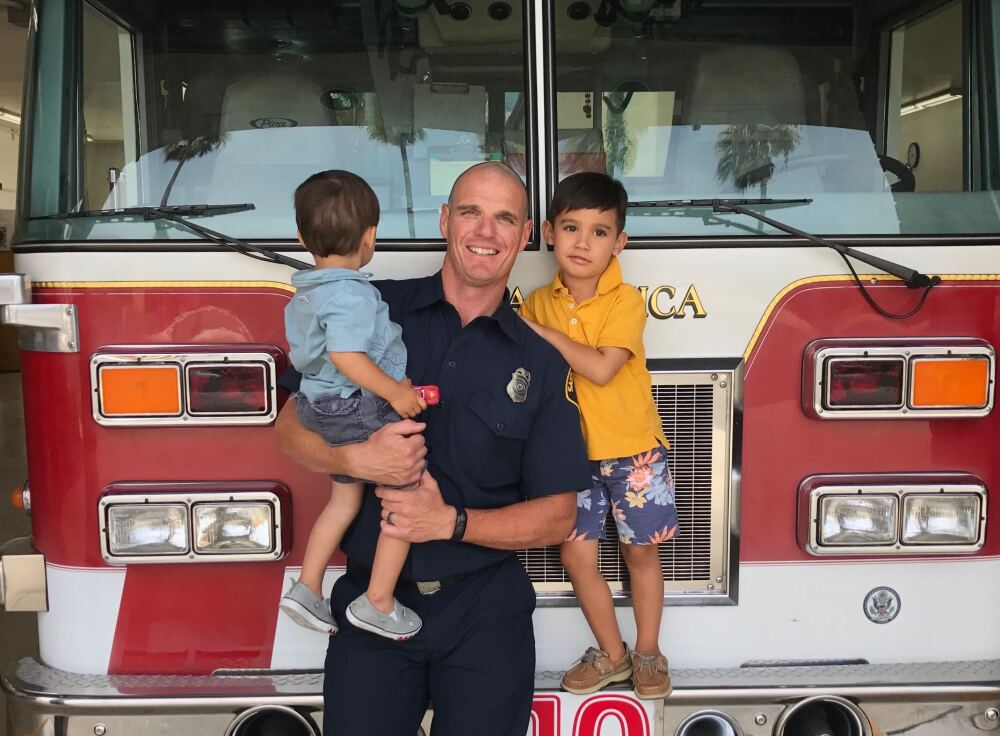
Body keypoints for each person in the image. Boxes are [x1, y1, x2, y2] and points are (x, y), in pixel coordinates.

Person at [275, 161, 592, 735]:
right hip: (370, 605)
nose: (485, 232)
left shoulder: (542, 363)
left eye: (505, 219)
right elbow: (289, 426)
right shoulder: (371, 309)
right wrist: (351, 461)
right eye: (471, 212)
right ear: (446, 220)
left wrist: (449, 522)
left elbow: (558, 517)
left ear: (525, 235)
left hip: (486, 613)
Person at [520, 172, 679, 700]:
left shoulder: (625, 301)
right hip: (572, 458)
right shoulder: (538, 301)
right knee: (575, 557)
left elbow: (602, 369)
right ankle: (613, 654)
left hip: (634, 454)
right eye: (571, 228)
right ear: (548, 232)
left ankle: (649, 654)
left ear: (620, 242)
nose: (583, 243)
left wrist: (540, 332)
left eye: (600, 231)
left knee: (641, 554)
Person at [279, 169, 427, 641]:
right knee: (410, 492)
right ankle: (378, 601)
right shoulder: (352, 294)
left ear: (302, 236)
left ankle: (307, 585)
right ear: (370, 238)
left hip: (320, 407)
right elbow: (347, 356)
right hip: (354, 407)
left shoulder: (309, 291)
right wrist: (396, 392)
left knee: (343, 500)